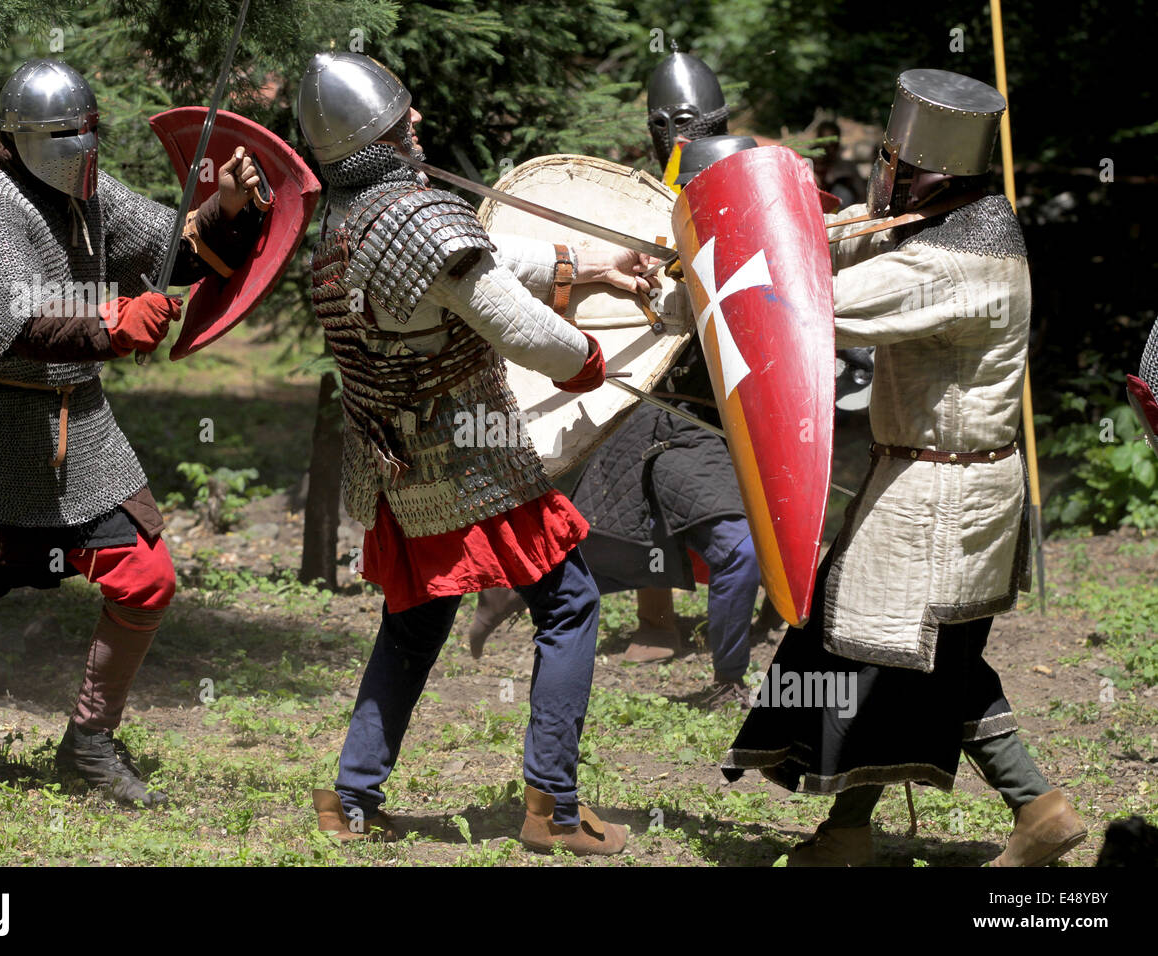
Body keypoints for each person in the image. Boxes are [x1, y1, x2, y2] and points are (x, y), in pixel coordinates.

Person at [721, 69, 1086, 867]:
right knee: (907, 656)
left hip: (941, 495)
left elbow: (808, 307)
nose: (882, 175)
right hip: (938, 485)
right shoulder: (968, 220)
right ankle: (873, 827)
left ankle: (1015, 811)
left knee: (884, 651)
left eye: (893, 162)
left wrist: (725, 261)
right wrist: (803, 220)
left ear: (931, 173)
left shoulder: (951, 263)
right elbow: (859, 239)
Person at [298, 51, 651, 855]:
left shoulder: (345, 223)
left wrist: (588, 264)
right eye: (401, 117)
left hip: (400, 464)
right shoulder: (414, 217)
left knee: (415, 622)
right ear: (374, 137)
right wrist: (590, 359)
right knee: (570, 604)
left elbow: (477, 266)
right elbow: (519, 327)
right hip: (469, 456)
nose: (415, 121)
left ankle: (352, 799)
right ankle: (553, 807)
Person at [0, 58, 264, 807]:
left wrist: (224, 207)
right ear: (22, 137)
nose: (82, 147)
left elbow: (174, 250)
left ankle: (88, 743)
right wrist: (113, 319)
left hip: (79, 435)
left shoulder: (88, 194)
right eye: (67, 135)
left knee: (149, 577)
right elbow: (16, 321)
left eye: (90, 132)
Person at [469, 51, 763, 712]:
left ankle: (727, 677)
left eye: (692, 121)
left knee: (737, 549)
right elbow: (569, 284)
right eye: (667, 123)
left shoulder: (742, 195)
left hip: (709, 416)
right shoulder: (631, 210)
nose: (678, 134)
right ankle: (515, 586)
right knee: (600, 545)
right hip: (636, 407)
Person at [811, 119, 866, 209]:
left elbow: (862, 195)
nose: (830, 148)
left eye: (833, 144)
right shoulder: (808, 165)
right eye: (826, 143)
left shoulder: (847, 168)